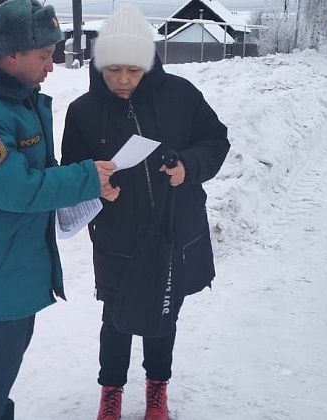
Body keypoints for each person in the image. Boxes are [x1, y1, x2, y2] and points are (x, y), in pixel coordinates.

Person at [0, 0, 119, 418]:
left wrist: (87, 186)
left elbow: (38, 171)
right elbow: (17, 189)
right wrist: (86, 179)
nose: (51, 66)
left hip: (13, 257)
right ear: (11, 56)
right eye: (44, 56)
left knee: (6, 352)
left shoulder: (18, 102)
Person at [60, 5, 230, 420]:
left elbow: (216, 141)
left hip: (174, 229)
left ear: (149, 65)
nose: (122, 80)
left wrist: (188, 167)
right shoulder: (82, 111)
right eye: (113, 69)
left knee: (164, 314)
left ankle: (157, 389)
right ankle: (111, 393)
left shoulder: (182, 96)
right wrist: (94, 185)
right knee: (115, 317)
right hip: (117, 235)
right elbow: (71, 171)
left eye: (133, 70)